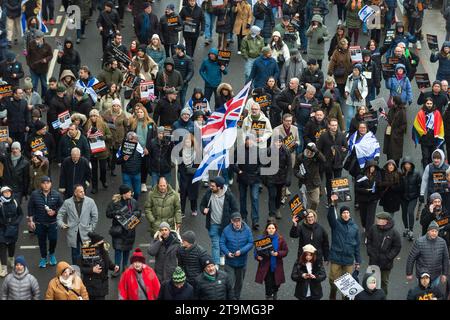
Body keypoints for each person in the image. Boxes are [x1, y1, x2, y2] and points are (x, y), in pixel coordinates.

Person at [327, 194, 361, 300]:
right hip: (336, 257)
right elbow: (330, 217)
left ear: (349, 214)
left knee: (347, 284)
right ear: (341, 215)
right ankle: (333, 293)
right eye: (343, 213)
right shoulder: (336, 224)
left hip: (348, 259)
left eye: (347, 213)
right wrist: (332, 204)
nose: (346, 214)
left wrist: (358, 261)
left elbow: (357, 245)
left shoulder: (355, 228)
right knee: (332, 280)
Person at [200, 176, 239, 266]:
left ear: (219, 187)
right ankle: (215, 264)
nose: (211, 187)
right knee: (215, 244)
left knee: (222, 242)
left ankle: (222, 255)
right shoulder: (209, 193)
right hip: (213, 224)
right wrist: (203, 210)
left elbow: (235, 209)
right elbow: (202, 205)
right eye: (211, 185)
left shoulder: (229, 195)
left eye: (213, 186)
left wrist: (233, 220)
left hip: (225, 225)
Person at [27, 176, 64, 268]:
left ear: (51, 184)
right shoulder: (34, 194)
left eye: (48, 183)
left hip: (52, 223)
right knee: (41, 241)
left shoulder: (56, 195)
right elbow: (30, 207)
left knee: (53, 239)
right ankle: (43, 258)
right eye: (44, 183)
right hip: (40, 223)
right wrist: (31, 221)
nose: (46, 185)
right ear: (41, 184)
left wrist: (55, 211)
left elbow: (62, 207)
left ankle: (51, 254)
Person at [57, 185, 98, 264]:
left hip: (86, 232)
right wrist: (61, 224)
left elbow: (95, 216)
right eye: (81, 192)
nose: (83, 193)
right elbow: (60, 215)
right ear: (75, 193)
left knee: (87, 253)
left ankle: (87, 270)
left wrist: (91, 228)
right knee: (75, 254)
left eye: (83, 191)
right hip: (73, 232)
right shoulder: (67, 202)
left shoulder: (90, 201)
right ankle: (76, 270)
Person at [106, 184, 141, 275]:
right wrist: (116, 213)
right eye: (129, 192)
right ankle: (117, 268)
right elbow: (108, 214)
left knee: (127, 249)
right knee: (118, 249)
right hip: (119, 230)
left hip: (129, 229)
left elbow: (139, 211)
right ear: (124, 194)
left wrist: (133, 214)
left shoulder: (133, 202)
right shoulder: (115, 203)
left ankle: (125, 266)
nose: (131, 193)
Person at [366, 211, 402, 296]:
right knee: (372, 281)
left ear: (386, 221)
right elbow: (368, 240)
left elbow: (397, 247)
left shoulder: (394, 233)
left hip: (386, 264)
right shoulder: (373, 228)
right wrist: (370, 252)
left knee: (383, 282)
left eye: (380, 219)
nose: (377, 221)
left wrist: (388, 257)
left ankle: (383, 297)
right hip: (373, 261)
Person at [219, 212, 253, 300]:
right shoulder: (226, 230)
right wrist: (227, 252)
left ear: (241, 220)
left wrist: (241, 251)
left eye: (239, 221)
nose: (237, 223)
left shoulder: (247, 229)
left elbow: (250, 243)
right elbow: (222, 243)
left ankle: (236, 297)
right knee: (229, 282)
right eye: (235, 221)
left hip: (242, 262)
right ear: (231, 221)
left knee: (239, 283)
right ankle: (229, 297)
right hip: (230, 262)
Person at [406, 221, 449, 291]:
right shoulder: (419, 242)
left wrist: (444, 274)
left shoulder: (442, 242)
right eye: (432, 231)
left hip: (436, 275)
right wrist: (409, 273)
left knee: (432, 294)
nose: (434, 233)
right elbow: (411, 258)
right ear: (428, 231)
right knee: (422, 294)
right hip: (423, 276)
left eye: (436, 231)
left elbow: (445, 259)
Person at [254, 220, 288, 300]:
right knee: (268, 283)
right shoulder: (262, 239)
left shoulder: (280, 239)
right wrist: (257, 257)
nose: (271, 230)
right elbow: (256, 252)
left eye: (273, 228)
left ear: (275, 229)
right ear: (266, 229)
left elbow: (285, 251)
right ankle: (268, 296)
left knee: (276, 284)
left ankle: (275, 292)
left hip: (277, 266)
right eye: (269, 228)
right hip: (266, 266)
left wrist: (278, 254)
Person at [317, 117, 347, 201]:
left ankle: (336, 199)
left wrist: (341, 158)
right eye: (332, 125)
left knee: (337, 182)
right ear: (329, 126)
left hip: (338, 163)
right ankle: (329, 199)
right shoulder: (323, 136)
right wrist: (324, 160)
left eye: (336, 125)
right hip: (327, 164)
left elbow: (346, 148)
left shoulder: (342, 136)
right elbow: (318, 149)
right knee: (329, 182)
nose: (334, 127)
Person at [84, 109, 112, 194]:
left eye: (95, 116)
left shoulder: (103, 124)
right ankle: (95, 187)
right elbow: (84, 135)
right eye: (91, 116)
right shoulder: (87, 125)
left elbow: (109, 135)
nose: (93, 118)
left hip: (102, 151)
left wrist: (104, 137)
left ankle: (103, 179)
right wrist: (87, 137)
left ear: (98, 116)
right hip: (92, 151)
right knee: (94, 170)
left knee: (103, 169)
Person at [412, 98, 445, 169]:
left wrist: (438, 134)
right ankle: (426, 171)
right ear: (425, 104)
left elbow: (440, 124)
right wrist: (422, 131)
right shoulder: (421, 113)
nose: (429, 105)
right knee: (425, 156)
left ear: (433, 104)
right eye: (428, 103)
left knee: (433, 156)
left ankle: (433, 172)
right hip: (424, 138)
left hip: (434, 138)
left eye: (430, 104)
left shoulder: (437, 113)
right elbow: (416, 124)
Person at [294, 142, 325, 211]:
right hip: (303, 183)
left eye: (311, 152)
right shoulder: (300, 157)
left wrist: (316, 151)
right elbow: (295, 169)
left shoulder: (316, 157)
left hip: (315, 183)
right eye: (308, 151)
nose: (309, 153)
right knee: (304, 203)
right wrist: (298, 175)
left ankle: (312, 213)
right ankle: (306, 216)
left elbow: (323, 160)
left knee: (315, 201)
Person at [266, 137, 292, 219]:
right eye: (276, 142)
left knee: (278, 195)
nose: (278, 143)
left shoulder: (286, 151)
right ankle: (271, 214)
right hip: (271, 177)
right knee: (272, 195)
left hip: (281, 177)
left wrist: (288, 178)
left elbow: (289, 166)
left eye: (280, 142)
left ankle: (277, 209)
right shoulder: (269, 151)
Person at [0, 186, 22, 277]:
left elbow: (20, 214)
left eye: (8, 192)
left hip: (13, 228)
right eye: (5, 192)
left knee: (12, 246)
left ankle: (11, 258)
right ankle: (4, 268)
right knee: (2, 246)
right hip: (2, 228)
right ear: (2, 194)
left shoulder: (15, 201)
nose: (7, 194)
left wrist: (16, 223)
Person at [116, 132, 145, 200]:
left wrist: (145, 154)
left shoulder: (140, 148)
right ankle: (128, 207)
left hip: (137, 174)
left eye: (135, 139)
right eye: (132, 139)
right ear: (128, 139)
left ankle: (133, 203)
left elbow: (144, 161)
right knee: (127, 193)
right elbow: (117, 161)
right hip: (126, 174)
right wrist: (123, 159)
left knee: (137, 192)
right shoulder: (122, 148)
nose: (134, 141)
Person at [400, 157, 421, 241]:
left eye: (408, 164)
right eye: (405, 164)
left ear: (411, 165)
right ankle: (406, 228)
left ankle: (411, 231)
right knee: (404, 213)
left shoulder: (416, 173)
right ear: (403, 165)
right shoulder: (401, 174)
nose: (407, 166)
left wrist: (421, 196)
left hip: (413, 197)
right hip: (403, 197)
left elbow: (420, 184)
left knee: (410, 212)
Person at [26, 30, 53, 95]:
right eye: (36, 38)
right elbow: (28, 54)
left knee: (44, 85)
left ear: (42, 37)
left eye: (39, 38)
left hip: (43, 69)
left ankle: (44, 97)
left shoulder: (47, 46)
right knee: (34, 84)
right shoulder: (31, 43)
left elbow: (51, 55)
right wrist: (29, 64)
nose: (37, 39)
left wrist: (46, 60)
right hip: (33, 68)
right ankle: (34, 97)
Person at [383, 96, 407, 165]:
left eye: (392, 100)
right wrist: (385, 116)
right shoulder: (391, 109)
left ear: (395, 102)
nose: (391, 101)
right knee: (389, 155)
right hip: (389, 135)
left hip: (397, 137)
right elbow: (390, 120)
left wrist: (396, 132)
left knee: (396, 156)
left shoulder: (402, 111)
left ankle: (395, 171)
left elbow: (404, 125)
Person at [343, 64, 368, 131]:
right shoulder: (350, 77)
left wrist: (361, 97)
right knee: (349, 116)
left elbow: (365, 90)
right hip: (351, 99)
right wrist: (346, 91)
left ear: (359, 71)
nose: (355, 71)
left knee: (361, 116)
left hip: (360, 100)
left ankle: (361, 129)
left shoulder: (363, 79)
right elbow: (347, 86)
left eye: (356, 70)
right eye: (354, 70)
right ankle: (348, 129)